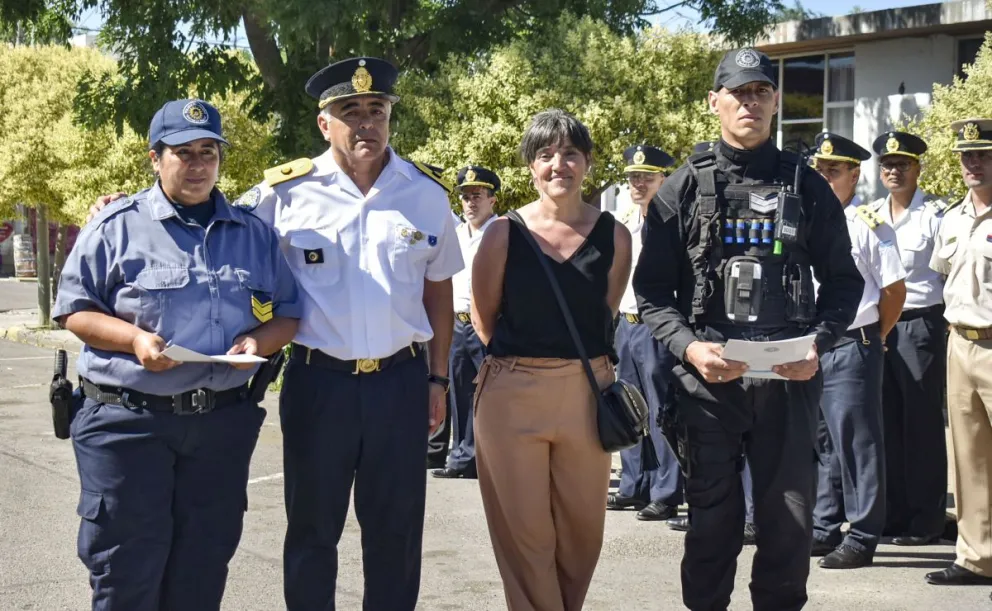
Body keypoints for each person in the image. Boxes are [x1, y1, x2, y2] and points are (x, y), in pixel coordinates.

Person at [89, 58, 462, 610]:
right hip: (319, 385)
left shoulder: (426, 194)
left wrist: (437, 377)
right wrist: (123, 208)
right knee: (312, 532)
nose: (366, 123)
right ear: (324, 123)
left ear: (390, 118)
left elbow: (438, 293)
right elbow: (207, 222)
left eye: (376, 111)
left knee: (398, 531)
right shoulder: (283, 193)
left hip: (401, 382)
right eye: (350, 112)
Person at [633, 49, 863, 611]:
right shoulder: (682, 189)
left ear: (776, 102)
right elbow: (652, 294)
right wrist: (690, 348)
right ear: (715, 102)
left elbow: (843, 283)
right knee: (713, 519)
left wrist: (819, 346)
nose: (750, 103)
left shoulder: (807, 186)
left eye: (761, 92)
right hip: (710, 380)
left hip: (788, 374)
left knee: (787, 520)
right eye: (738, 93)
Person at [55, 98, 301, 610]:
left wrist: (259, 342)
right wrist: (134, 341)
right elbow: (74, 311)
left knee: (201, 573)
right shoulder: (116, 225)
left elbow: (287, 313)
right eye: (183, 153)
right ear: (154, 157)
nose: (197, 165)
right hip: (128, 424)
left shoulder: (253, 234)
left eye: (208, 152)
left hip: (218, 429)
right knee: (125, 574)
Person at [471, 109, 632, 610]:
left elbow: (601, 316)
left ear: (586, 163)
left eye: (569, 154)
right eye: (545, 155)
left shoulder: (615, 236)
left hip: (587, 394)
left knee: (582, 534)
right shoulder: (503, 233)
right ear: (530, 167)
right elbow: (484, 320)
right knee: (526, 536)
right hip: (512, 393)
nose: (558, 164)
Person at [810, 132, 908, 569]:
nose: (825, 176)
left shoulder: (868, 223)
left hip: (854, 340)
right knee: (823, 440)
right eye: (820, 169)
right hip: (815, 344)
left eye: (834, 170)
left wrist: (876, 335)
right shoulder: (809, 218)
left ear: (855, 174)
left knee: (857, 442)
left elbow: (894, 290)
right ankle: (824, 525)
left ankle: (864, 533)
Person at [869, 131, 949, 546]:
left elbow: (949, 274)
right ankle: (894, 515)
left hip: (921, 323)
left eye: (903, 164)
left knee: (921, 423)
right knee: (886, 422)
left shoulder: (936, 214)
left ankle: (927, 520)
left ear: (918, 168)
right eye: (888, 165)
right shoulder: (871, 214)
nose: (894, 171)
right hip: (882, 323)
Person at [926, 118, 992, 587]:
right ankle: (976, 557)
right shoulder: (952, 216)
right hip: (959, 342)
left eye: (983, 154)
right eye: (967, 155)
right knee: (968, 458)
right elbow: (941, 277)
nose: (973, 162)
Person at [606, 144, 685, 521]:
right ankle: (633, 484)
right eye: (634, 177)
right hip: (627, 324)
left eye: (647, 177)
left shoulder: (673, 222)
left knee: (660, 410)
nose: (638, 183)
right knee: (628, 406)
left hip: (657, 327)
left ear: (663, 180)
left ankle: (667, 491)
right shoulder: (624, 221)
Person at [432, 164, 501, 479]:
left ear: (493, 201)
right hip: (457, 322)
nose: (471, 203)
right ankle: (461, 457)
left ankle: (487, 458)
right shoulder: (456, 234)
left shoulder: (501, 233)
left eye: (478, 196)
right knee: (459, 392)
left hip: (489, 323)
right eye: (466, 197)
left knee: (487, 395)